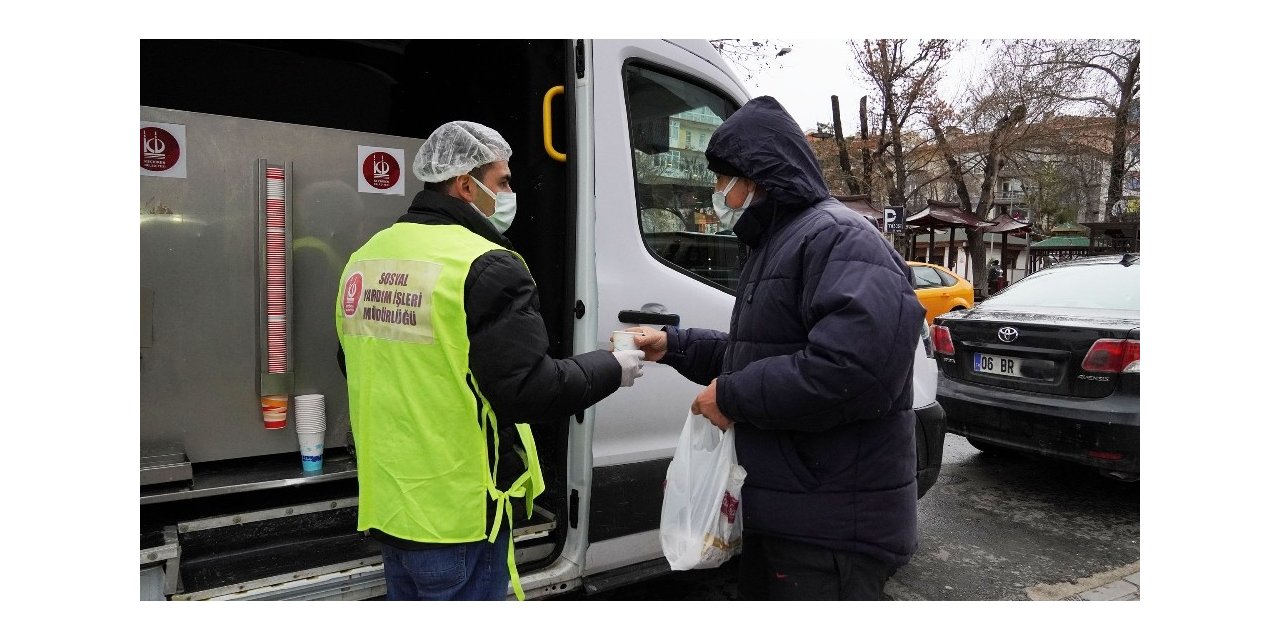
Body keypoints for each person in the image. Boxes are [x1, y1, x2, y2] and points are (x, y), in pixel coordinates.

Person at [335, 121, 646, 601]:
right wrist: (612, 366)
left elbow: (356, 362)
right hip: (458, 516)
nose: (509, 193)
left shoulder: (367, 256)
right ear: (465, 185)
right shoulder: (486, 263)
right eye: (502, 182)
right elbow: (530, 389)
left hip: (391, 506)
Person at [628, 96, 924, 600]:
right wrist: (673, 346)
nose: (719, 193)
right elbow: (762, 354)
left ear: (757, 176)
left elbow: (852, 372)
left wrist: (731, 397)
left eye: (725, 180)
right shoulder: (784, 241)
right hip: (791, 508)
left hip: (830, 526)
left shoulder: (839, 238)